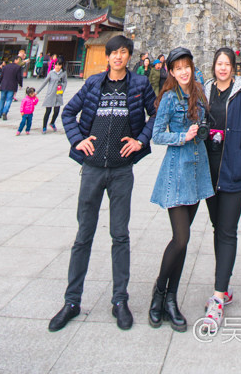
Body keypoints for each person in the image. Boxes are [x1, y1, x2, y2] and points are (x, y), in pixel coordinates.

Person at [49, 34, 156, 333]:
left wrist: (140, 141)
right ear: (107, 57)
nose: (118, 57)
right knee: (83, 235)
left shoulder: (139, 85)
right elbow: (68, 112)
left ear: (129, 56)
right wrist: (78, 141)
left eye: (123, 52)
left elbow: (155, 115)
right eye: (114, 53)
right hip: (93, 169)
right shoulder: (94, 83)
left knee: (120, 235)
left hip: (122, 171)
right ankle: (72, 301)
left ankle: (119, 300)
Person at [149, 46, 213, 333]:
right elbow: (157, 134)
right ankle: (159, 293)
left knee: (183, 242)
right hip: (176, 171)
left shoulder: (199, 94)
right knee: (181, 237)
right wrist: (181, 136)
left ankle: (171, 300)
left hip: (197, 171)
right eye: (178, 68)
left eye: (187, 66)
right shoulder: (168, 99)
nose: (184, 71)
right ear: (172, 72)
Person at [200, 47, 241, 333]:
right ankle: (222, 284)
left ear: (234, 67)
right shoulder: (205, 91)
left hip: (232, 170)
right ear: (214, 66)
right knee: (218, 228)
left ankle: (218, 295)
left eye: (228, 64)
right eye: (219, 63)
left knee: (227, 230)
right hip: (208, 169)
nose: (223, 68)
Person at [36, 56, 68, 133]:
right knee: (48, 111)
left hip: (58, 94)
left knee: (56, 111)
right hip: (50, 94)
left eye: (59, 65)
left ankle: (52, 122)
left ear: (61, 66)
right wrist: (37, 92)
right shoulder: (51, 73)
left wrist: (62, 90)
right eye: (56, 65)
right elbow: (44, 82)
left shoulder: (63, 73)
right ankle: (44, 127)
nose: (57, 67)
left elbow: (65, 82)